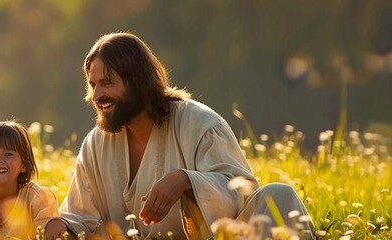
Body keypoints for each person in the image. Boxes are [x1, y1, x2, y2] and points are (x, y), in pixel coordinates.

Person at [43, 32, 314, 239]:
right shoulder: (95, 144)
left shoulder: (200, 123)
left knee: (279, 195)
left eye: (107, 83)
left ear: (138, 82)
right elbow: (80, 215)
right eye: (93, 85)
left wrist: (186, 180)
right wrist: (58, 224)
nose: (97, 95)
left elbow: (243, 194)